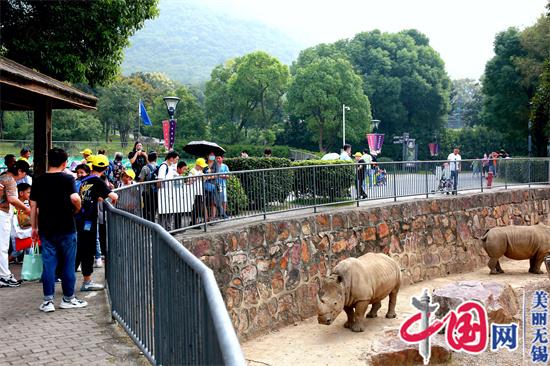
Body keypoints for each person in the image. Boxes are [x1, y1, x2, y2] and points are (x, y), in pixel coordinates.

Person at [30, 148, 87, 311]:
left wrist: (34, 228)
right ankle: (68, 299)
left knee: (48, 265)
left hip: (46, 229)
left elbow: (33, 206)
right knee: (68, 264)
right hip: (66, 227)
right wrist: (77, 208)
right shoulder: (68, 178)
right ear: (64, 163)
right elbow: (75, 198)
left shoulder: (38, 180)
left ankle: (48, 301)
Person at [75, 154, 118, 292]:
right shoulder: (97, 181)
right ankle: (87, 282)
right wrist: (113, 198)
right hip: (88, 222)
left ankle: (63, 276)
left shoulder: (82, 180)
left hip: (77, 220)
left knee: (78, 250)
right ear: (105, 168)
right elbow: (113, 196)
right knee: (87, 251)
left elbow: (93, 196)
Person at [0, 160, 30, 288]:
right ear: (19, 171)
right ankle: (4, 276)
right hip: (2, 214)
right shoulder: (10, 180)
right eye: (24, 174)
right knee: (2, 247)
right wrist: (26, 209)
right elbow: (12, 199)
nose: (23, 177)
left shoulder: (2, 176)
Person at [188, 158, 208, 227]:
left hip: (200, 191)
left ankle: (194, 221)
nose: (202, 167)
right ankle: (194, 222)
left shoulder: (200, 171)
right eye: (201, 165)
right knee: (195, 207)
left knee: (199, 207)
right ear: (198, 165)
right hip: (194, 192)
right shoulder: (192, 171)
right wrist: (196, 177)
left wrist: (203, 177)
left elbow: (204, 179)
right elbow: (189, 181)